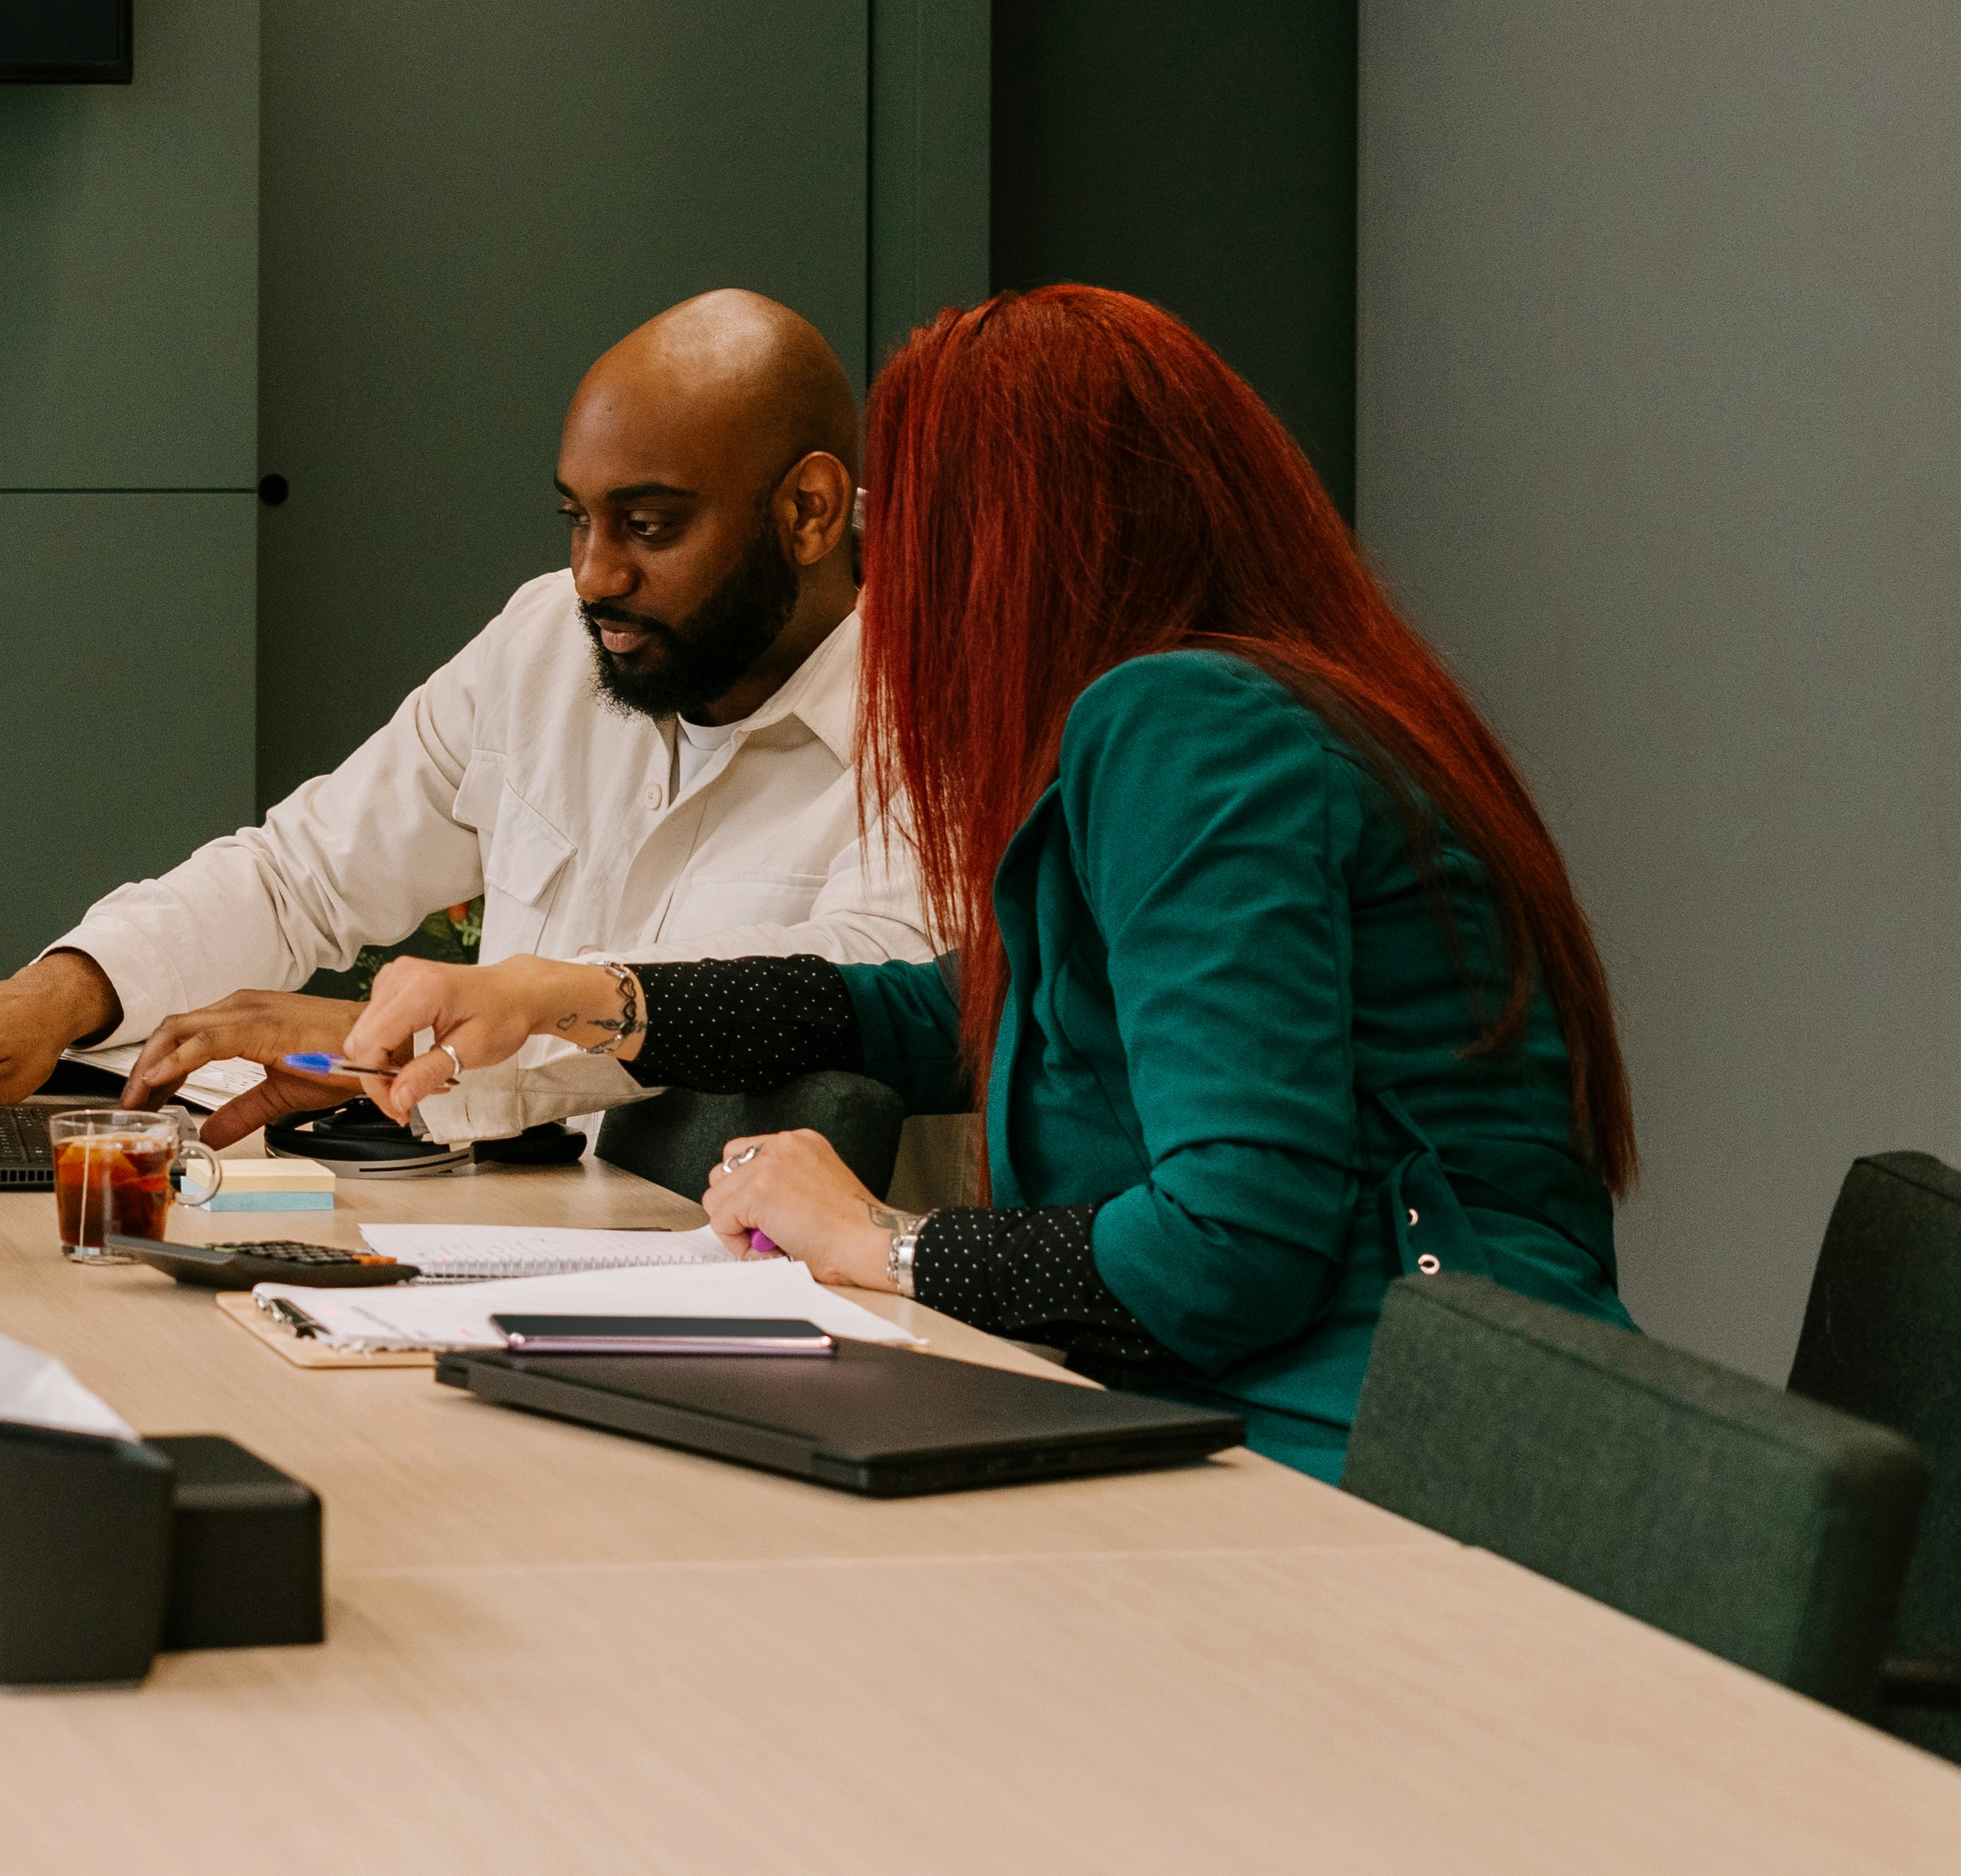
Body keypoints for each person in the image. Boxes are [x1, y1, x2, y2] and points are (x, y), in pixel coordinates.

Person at [342, 284, 1637, 1477]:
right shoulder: (1256, 703)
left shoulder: (1186, 727)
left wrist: (885, 1245)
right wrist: (588, 994)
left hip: (1379, 1463)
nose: (891, 586)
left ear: (1015, 542)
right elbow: (939, 1011)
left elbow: (1229, 1244)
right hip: (1385, 1423)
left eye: (911, 531)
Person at [0, 288, 940, 1147]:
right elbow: (302, 875)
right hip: (501, 1236)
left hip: (748, 1297)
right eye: (575, 519)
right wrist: (61, 995)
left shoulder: (936, 712)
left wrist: (416, 1031)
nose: (593, 573)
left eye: (649, 526)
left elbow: (854, 983)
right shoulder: (546, 641)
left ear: (805, 511)